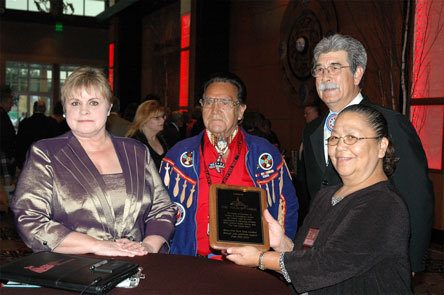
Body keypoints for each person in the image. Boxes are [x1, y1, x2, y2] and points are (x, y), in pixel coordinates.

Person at [227, 105, 412, 294]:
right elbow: (306, 255)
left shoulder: (384, 204)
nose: (340, 147)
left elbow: (328, 263)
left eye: (352, 137)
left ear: (382, 146)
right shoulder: (327, 195)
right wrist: (280, 242)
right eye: (334, 138)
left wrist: (261, 259)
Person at [301, 34, 434, 273]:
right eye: (319, 69)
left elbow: (416, 195)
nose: (325, 77)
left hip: (375, 255)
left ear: (358, 73)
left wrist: (410, 263)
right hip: (323, 257)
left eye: (334, 67)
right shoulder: (312, 130)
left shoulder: (389, 123)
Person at [11, 67, 176, 257]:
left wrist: (148, 246)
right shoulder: (47, 153)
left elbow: (162, 208)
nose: (84, 111)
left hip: (139, 266)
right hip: (75, 272)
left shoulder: (137, 151)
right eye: (75, 102)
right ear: (65, 109)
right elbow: (30, 219)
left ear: (109, 108)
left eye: (94, 102)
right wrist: (98, 245)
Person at [159, 72, 299, 257]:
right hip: (191, 264)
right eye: (208, 102)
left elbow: (287, 207)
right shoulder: (178, 155)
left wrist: (278, 257)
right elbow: (158, 211)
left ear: (241, 110)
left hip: (251, 265)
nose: (215, 109)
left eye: (225, 102)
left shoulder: (264, 155)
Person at [126, 100, 169, 170]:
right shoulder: (133, 142)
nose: (163, 120)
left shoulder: (164, 138)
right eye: (157, 118)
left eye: (163, 116)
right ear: (144, 119)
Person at [16, 99, 59, 169]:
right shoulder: (52, 123)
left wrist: (20, 162)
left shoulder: (24, 123)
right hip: (46, 162)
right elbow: (56, 144)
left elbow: (19, 144)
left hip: (28, 161)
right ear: (44, 109)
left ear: (33, 109)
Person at [0, 85, 16, 185]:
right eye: (10, 103)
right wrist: (12, 156)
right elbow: (6, 138)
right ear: (4, 102)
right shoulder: (2, 116)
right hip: (4, 158)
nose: (11, 106)